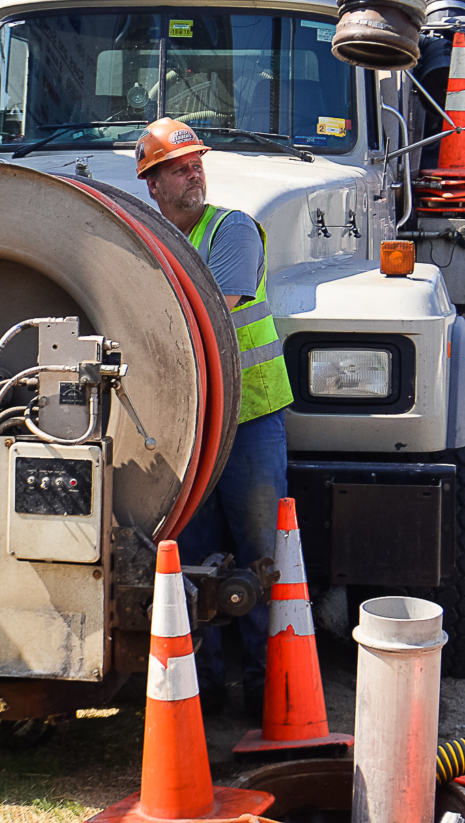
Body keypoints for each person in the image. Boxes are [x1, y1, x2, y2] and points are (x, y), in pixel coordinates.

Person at [135, 117, 293, 714]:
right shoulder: (148, 238)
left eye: (196, 163)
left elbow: (207, 315)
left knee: (259, 554)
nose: (193, 173)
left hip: (247, 419)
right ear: (153, 184)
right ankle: (203, 686)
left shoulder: (232, 230)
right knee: (191, 556)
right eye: (178, 169)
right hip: (187, 430)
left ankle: (266, 686)